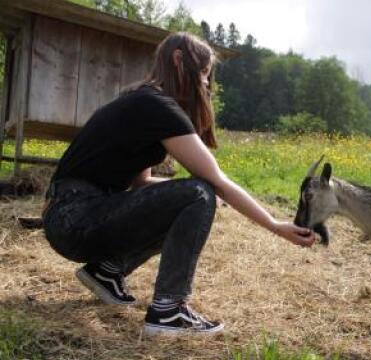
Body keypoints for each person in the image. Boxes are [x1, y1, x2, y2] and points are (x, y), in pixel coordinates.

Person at [42, 32, 315, 336]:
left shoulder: (141, 100)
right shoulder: (156, 105)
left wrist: (179, 197)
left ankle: (107, 271)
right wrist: (275, 224)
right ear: (178, 60)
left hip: (71, 217)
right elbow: (216, 180)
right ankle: (169, 310)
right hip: (76, 216)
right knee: (199, 193)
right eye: (203, 73)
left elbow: (142, 183)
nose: (207, 84)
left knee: (191, 196)